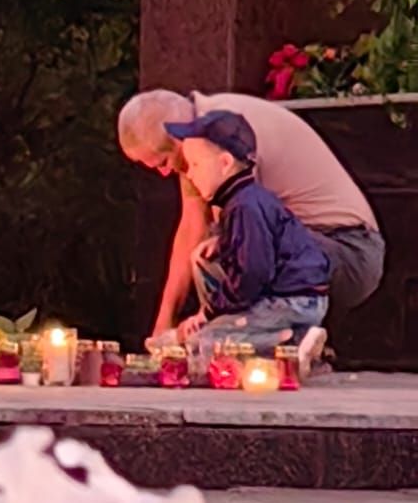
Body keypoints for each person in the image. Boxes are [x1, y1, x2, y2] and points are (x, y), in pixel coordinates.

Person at [118, 87, 383, 341]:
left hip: (350, 251)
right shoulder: (200, 132)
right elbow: (191, 230)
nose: (166, 174)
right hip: (308, 248)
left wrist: (208, 319)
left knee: (230, 248)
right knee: (210, 252)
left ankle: (282, 341)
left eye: (163, 163)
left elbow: (247, 251)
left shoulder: (226, 134)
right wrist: (163, 325)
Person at [163, 111, 331, 368]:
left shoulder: (245, 207)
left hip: (292, 302)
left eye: (195, 165)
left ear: (225, 163)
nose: (190, 175)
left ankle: (293, 344)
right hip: (287, 297)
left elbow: (251, 276)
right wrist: (224, 244)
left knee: (204, 343)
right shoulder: (242, 201)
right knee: (202, 257)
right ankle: (281, 340)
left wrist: (207, 314)